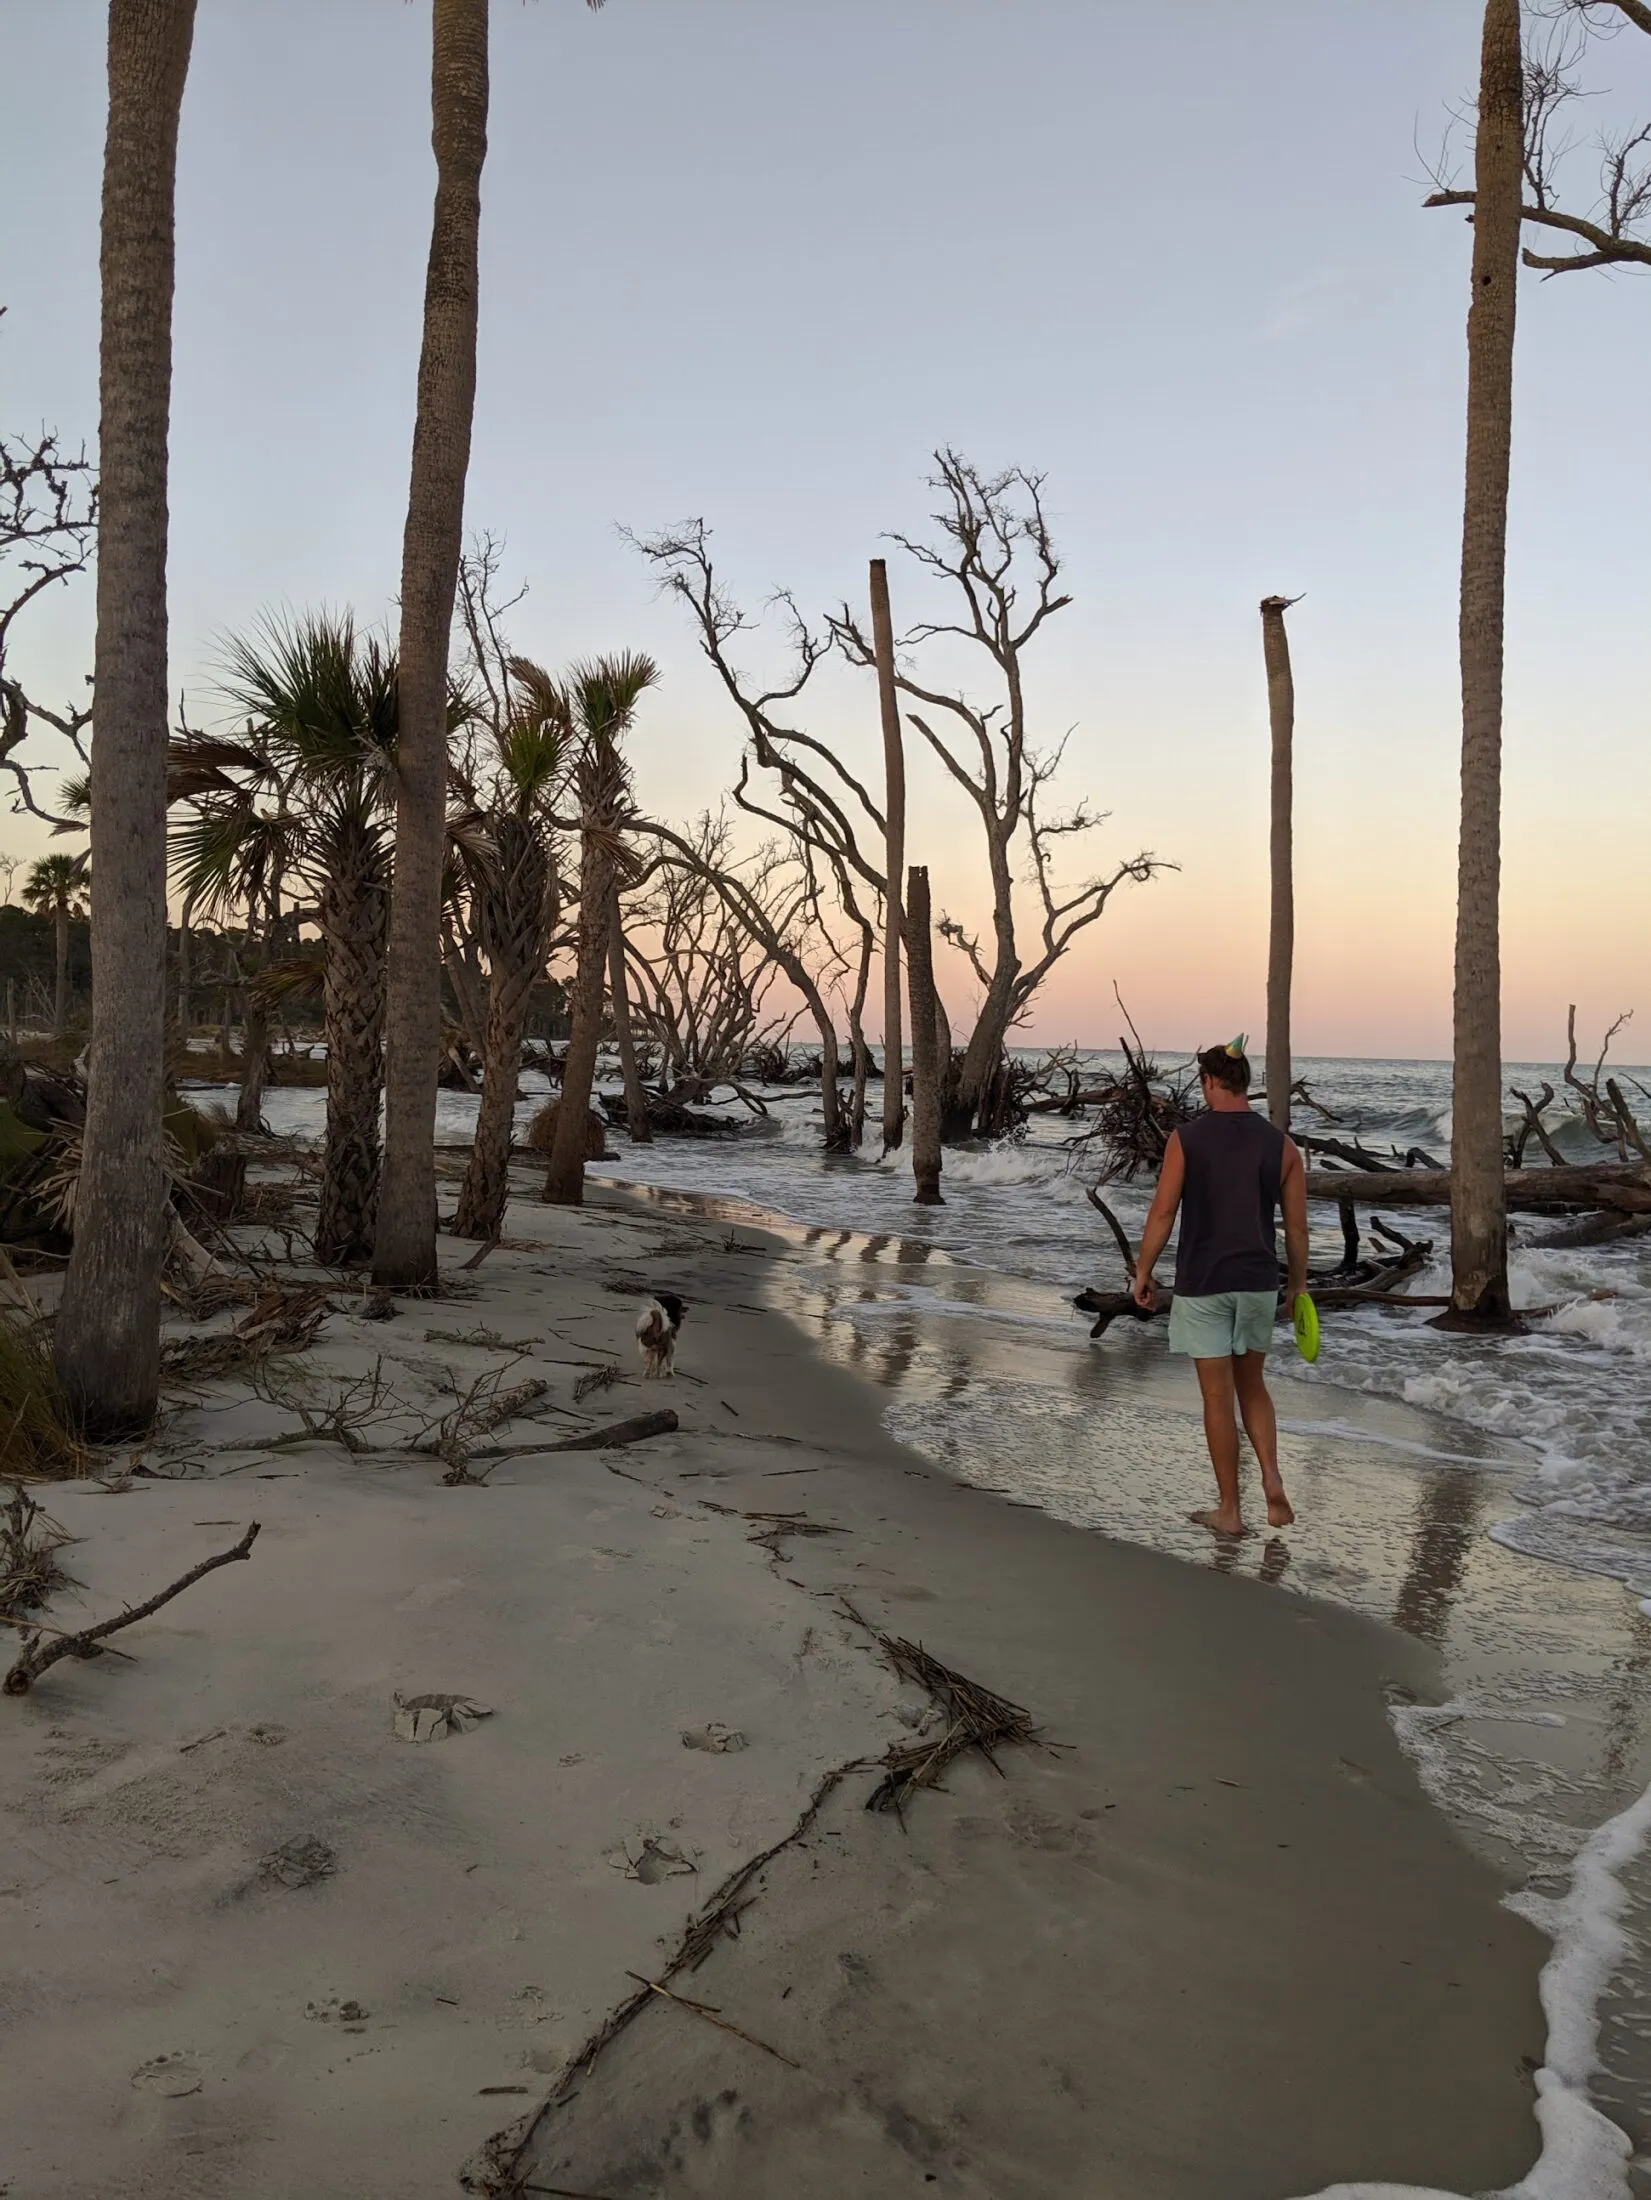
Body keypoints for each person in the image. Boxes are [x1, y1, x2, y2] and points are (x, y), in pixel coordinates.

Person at [1130, 1035, 1309, 1537]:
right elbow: (1297, 1229)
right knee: (1253, 1386)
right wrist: (1297, 1287)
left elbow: (1163, 1212)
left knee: (1216, 1397)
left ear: (1209, 1082)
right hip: (1257, 1282)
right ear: (1246, 1085)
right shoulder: (1283, 1146)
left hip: (1204, 1282)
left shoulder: (1186, 1139)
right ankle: (1271, 1477)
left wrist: (1143, 1272)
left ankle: (1230, 1510)